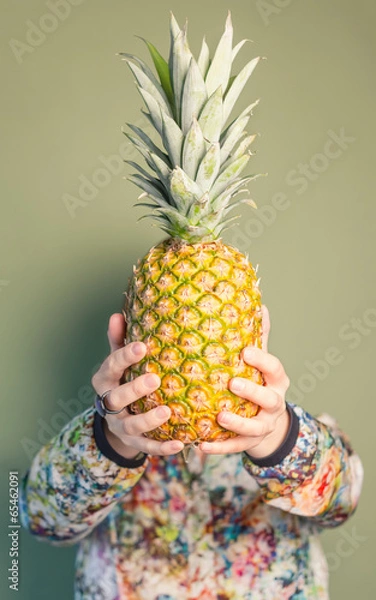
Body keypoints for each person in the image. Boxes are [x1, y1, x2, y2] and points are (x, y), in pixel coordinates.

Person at [19, 305, 363, 599]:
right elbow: (41, 519)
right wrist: (112, 437)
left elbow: (343, 500)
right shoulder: (96, 440)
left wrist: (277, 436)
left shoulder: (296, 432)